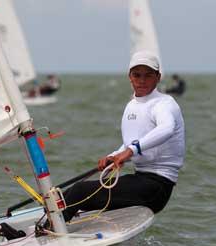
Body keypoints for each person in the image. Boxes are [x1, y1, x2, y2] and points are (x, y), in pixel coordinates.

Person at [61, 50, 185, 222]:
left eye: (148, 75)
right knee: (63, 195)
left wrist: (129, 152)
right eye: (137, 75)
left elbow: (167, 128)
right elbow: (131, 142)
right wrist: (114, 156)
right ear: (130, 77)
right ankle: (42, 226)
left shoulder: (164, 104)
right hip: (140, 178)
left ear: (158, 77)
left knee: (79, 192)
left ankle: (47, 232)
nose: (142, 80)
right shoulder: (132, 106)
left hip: (157, 187)